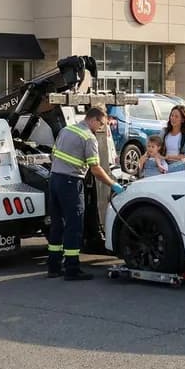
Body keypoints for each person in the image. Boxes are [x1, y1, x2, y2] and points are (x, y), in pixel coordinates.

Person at [47, 107, 124, 280]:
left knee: (57, 224)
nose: (100, 128)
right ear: (94, 120)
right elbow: (95, 169)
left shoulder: (65, 130)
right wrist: (113, 184)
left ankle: (53, 266)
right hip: (71, 183)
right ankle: (72, 269)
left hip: (54, 180)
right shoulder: (89, 137)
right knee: (74, 226)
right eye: (101, 124)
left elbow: (54, 155)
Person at [162, 105, 185, 172]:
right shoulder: (164, 132)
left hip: (179, 165)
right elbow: (155, 145)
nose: (173, 118)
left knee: (184, 164)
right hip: (164, 163)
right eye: (172, 115)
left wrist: (168, 157)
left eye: (176, 116)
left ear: (183, 120)